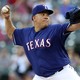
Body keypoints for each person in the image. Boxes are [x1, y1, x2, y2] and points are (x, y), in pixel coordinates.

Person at [1, 4, 80, 80]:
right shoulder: (25, 34)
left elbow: (74, 26)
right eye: (43, 14)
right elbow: (11, 33)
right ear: (34, 17)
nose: (46, 17)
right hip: (41, 77)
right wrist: (7, 19)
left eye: (47, 15)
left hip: (62, 74)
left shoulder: (55, 29)